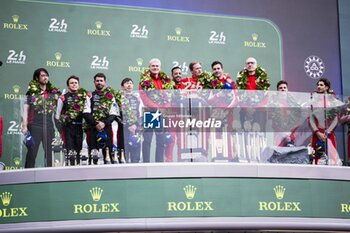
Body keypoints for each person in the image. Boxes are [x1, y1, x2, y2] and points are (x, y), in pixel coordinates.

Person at [21, 68, 61, 168]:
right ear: (37, 78)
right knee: (32, 152)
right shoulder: (31, 92)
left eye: (46, 75)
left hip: (48, 125)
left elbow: (59, 108)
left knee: (49, 153)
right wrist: (24, 125)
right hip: (35, 125)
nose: (45, 77)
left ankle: (50, 175)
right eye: (42, 75)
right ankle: (28, 175)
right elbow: (25, 109)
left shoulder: (52, 92)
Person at [139, 58, 175, 162]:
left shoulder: (165, 80)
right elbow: (144, 97)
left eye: (157, 66)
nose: (155, 68)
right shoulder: (144, 80)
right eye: (153, 66)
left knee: (161, 140)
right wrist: (157, 107)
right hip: (150, 112)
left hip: (163, 113)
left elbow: (170, 96)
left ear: (160, 67)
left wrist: (166, 107)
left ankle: (159, 164)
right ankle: (146, 163)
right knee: (148, 140)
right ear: (149, 67)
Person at [83, 73, 120, 164]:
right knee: (93, 156)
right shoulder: (89, 96)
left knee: (108, 155)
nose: (99, 82)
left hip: (106, 128)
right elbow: (86, 112)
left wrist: (104, 123)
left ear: (104, 82)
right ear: (94, 82)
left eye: (101, 81)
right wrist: (96, 124)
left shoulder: (110, 96)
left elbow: (113, 113)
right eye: (97, 81)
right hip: (93, 128)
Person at [55, 75, 88, 165]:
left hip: (79, 127)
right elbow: (57, 116)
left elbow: (87, 113)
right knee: (70, 152)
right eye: (71, 83)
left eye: (76, 83)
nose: (74, 84)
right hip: (68, 128)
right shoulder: (63, 98)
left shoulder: (83, 97)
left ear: (79, 85)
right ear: (68, 86)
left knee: (78, 151)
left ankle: (78, 170)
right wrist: (61, 129)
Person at [309, 78, 339, 164]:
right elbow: (311, 119)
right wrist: (318, 132)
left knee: (331, 160)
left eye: (321, 85)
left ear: (327, 87)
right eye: (318, 85)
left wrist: (327, 131)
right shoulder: (313, 101)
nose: (318, 86)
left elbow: (335, 119)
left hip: (329, 135)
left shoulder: (332, 102)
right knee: (316, 159)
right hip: (317, 135)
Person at [118, 77, 141, 163]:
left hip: (136, 129)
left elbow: (142, 113)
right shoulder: (118, 99)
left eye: (130, 83)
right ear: (122, 87)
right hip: (124, 129)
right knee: (125, 155)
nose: (129, 85)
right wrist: (126, 125)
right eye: (126, 83)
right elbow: (115, 114)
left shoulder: (138, 98)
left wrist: (136, 125)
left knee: (136, 155)